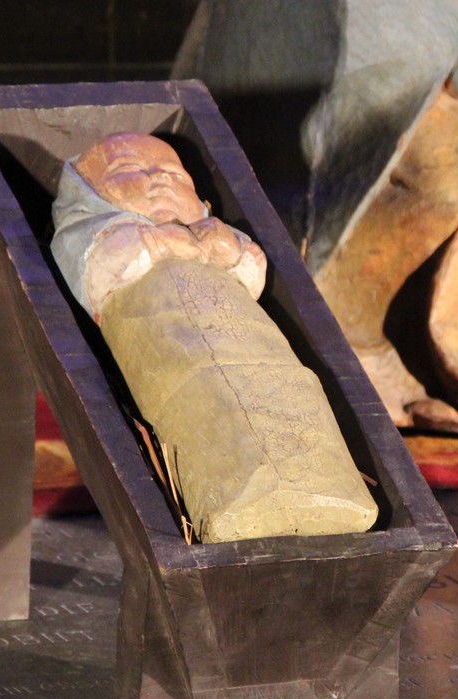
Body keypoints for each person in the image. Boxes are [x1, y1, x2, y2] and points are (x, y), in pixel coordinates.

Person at [51, 132, 378, 543]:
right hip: (174, 342)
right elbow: (101, 267)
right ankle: (235, 503)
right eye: (130, 170)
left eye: (174, 174)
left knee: (295, 393)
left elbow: (252, 273)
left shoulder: (212, 231)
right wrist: (166, 240)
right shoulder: (96, 235)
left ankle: (333, 491)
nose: (159, 180)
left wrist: (229, 250)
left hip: (251, 339)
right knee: (210, 407)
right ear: (88, 197)